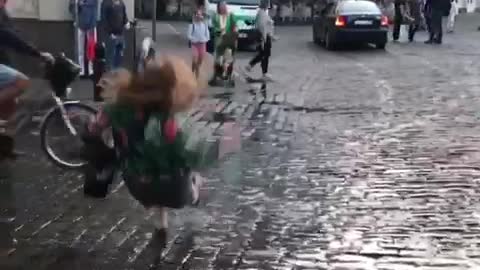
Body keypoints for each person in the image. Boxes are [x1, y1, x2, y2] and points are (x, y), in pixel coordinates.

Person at [84, 56, 238, 238]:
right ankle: (195, 190)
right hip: (174, 188)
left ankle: (160, 226)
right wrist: (228, 142)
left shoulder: (116, 108)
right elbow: (194, 153)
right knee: (187, 174)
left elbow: (94, 129)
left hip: (138, 184)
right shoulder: (169, 121)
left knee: (154, 182)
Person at [0, 0, 53, 158]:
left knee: (10, 105)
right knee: (22, 82)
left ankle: (4, 147)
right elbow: (7, 36)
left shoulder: (3, 12)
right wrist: (37, 53)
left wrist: (33, 49)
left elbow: (13, 33)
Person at [245, 0, 274, 81]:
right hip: (264, 38)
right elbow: (262, 27)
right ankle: (264, 73)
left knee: (263, 54)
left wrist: (271, 36)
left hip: (266, 37)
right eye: (267, 3)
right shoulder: (261, 14)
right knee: (265, 55)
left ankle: (250, 66)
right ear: (265, 4)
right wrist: (264, 38)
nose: (268, 4)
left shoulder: (263, 13)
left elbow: (266, 26)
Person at [210, 1, 237, 84]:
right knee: (218, 60)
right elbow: (213, 28)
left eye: (224, 6)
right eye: (222, 6)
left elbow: (234, 27)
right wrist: (218, 31)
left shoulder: (231, 16)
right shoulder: (216, 16)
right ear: (219, 7)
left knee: (228, 59)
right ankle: (216, 77)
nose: (224, 7)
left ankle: (229, 78)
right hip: (219, 41)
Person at [69, 0, 98, 77]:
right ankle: (81, 70)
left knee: (92, 48)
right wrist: (75, 17)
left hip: (91, 24)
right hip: (79, 23)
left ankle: (91, 70)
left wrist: (81, 4)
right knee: (80, 49)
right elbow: (71, 7)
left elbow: (93, 3)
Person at [101, 0, 129, 70]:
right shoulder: (106, 3)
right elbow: (104, 20)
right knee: (110, 57)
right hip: (111, 36)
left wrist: (126, 22)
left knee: (119, 56)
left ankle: (117, 74)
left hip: (120, 34)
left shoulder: (121, 3)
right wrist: (110, 33)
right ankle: (110, 74)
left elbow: (124, 15)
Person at [188, 9, 210, 79]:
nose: (199, 16)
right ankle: (194, 75)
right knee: (194, 59)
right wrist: (194, 39)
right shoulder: (192, 25)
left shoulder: (204, 26)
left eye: (200, 15)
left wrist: (204, 40)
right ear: (195, 16)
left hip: (202, 45)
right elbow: (189, 35)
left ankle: (195, 70)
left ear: (202, 17)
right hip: (195, 45)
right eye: (197, 14)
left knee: (199, 62)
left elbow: (207, 36)